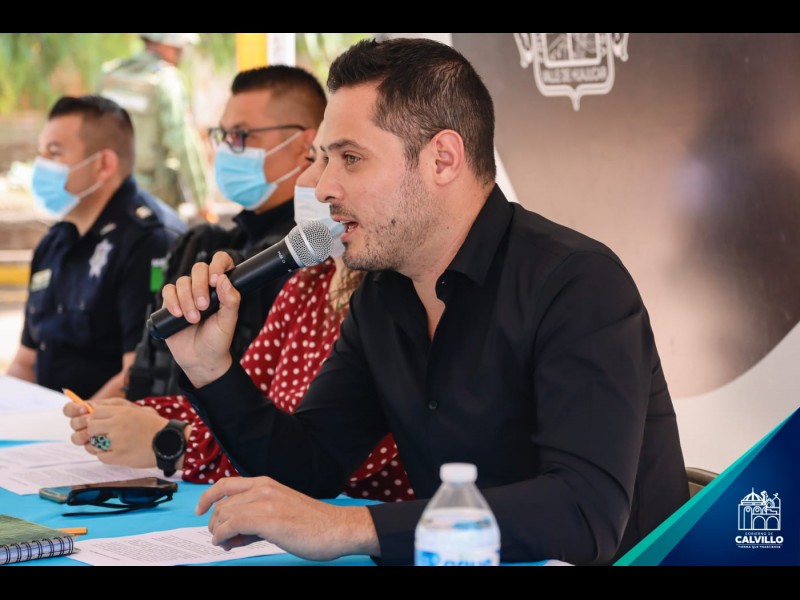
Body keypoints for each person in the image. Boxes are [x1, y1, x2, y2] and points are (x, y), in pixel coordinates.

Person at [160, 38, 689, 566]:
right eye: (325, 159)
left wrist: (351, 527)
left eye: (350, 158)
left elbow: (583, 514)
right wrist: (211, 369)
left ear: (442, 159)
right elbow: (312, 465)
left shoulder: (577, 283)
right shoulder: (383, 294)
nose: (322, 188)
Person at [63, 126, 415, 502]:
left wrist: (170, 441)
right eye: (315, 160)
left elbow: (311, 461)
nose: (311, 182)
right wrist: (131, 416)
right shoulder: (310, 280)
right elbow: (246, 404)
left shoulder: (393, 300)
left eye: (345, 160)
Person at [124, 64, 327, 400]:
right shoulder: (215, 241)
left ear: (305, 145)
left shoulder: (312, 255)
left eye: (242, 136)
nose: (227, 149)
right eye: (224, 135)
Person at [5, 95, 186, 400]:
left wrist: (72, 424)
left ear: (103, 164)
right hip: (49, 420)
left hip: (100, 424)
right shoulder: (54, 242)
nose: (42, 166)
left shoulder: (149, 241)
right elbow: (26, 361)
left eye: (54, 153)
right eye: (41, 153)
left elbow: (137, 374)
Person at [98, 33, 211, 218]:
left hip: (112, 190)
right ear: (166, 45)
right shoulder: (166, 81)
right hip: (154, 199)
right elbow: (183, 142)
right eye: (180, 49)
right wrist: (202, 199)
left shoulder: (111, 74)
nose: (182, 54)